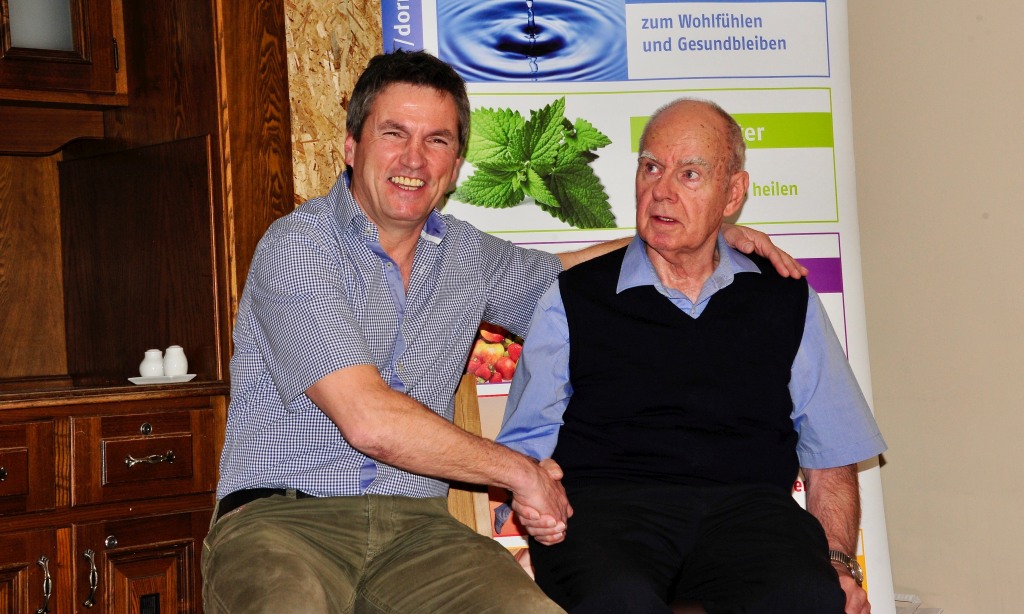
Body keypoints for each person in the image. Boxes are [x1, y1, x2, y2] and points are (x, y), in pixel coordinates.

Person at [201, 50, 806, 614]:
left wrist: (692, 233)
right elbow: (370, 422)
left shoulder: (468, 256)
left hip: (418, 535)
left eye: (437, 141)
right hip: (282, 524)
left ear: (455, 167)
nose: (414, 159)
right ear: (351, 146)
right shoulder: (298, 246)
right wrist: (519, 472)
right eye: (394, 134)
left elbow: (572, 280)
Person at [497, 98, 887, 614]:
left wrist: (837, 562)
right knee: (618, 600)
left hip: (750, 514)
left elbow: (831, 455)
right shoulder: (574, 296)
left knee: (809, 598)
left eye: (690, 174)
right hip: (607, 512)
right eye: (651, 168)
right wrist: (534, 513)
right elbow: (525, 447)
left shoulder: (784, 297)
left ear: (733, 194)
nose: (662, 191)